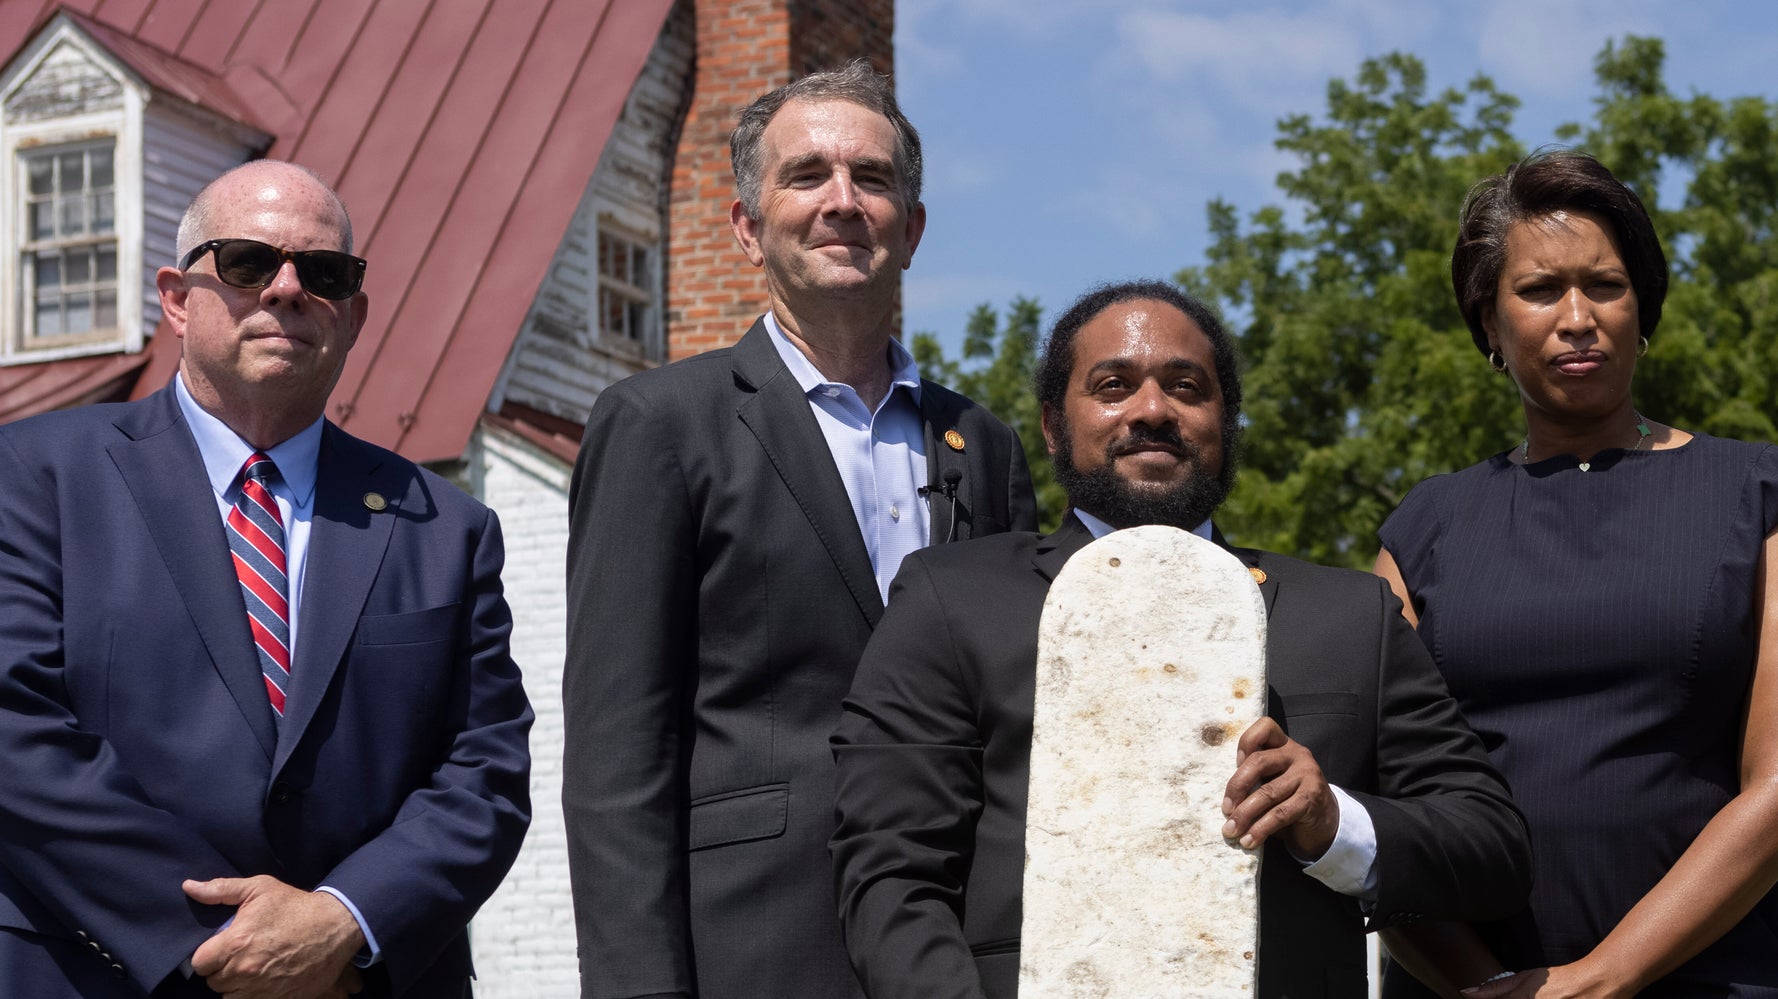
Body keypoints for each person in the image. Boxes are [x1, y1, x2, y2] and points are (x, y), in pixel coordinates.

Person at [830, 279, 1530, 999]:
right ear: (1051, 426)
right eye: (1113, 385)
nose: (1153, 410)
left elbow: (1493, 846)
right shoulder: (953, 601)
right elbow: (891, 871)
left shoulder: (1352, 618)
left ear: (1227, 424)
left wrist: (1334, 822)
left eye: (1187, 387)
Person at [0, 159, 533, 998]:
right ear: (177, 298)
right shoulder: (35, 477)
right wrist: (223, 941)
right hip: (98, 971)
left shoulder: (444, 528)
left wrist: (343, 921)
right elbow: (15, 736)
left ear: (353, 317)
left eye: (323, 274)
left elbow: (485, 772)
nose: (287, 290)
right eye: (248, 263)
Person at [563, 61, 1037, 999]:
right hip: (752, 943)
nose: (843, 201)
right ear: (747, 227)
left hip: (960, 948)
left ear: (914, 229)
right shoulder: (661, 427)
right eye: (808, 175)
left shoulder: (982, 444)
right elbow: (620, 754)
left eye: (873, 177)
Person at [1375, 149, 1778, 998]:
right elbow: (1376, 805)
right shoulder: (1425, 528)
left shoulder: (1757, 491)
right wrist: (1494, 987)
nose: (1577, 316)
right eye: (1537, 290)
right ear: (1489, 323)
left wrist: (1599, 980)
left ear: (1644, 307)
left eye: (1605, 284)